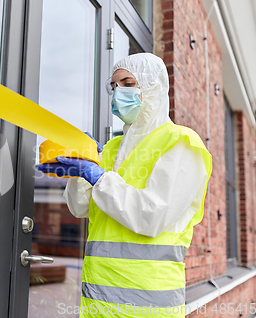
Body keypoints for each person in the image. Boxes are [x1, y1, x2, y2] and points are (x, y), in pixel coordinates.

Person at [38, 53, 212, 317]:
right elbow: (78, 207)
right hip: (99, 301)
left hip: (147, 301)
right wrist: (83, 163)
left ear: (153, 87)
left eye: (128, 83)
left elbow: (152, 215)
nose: (118, 92)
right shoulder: (112, 148)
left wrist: (97, 176)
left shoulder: (180, 142)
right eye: (114, 86)